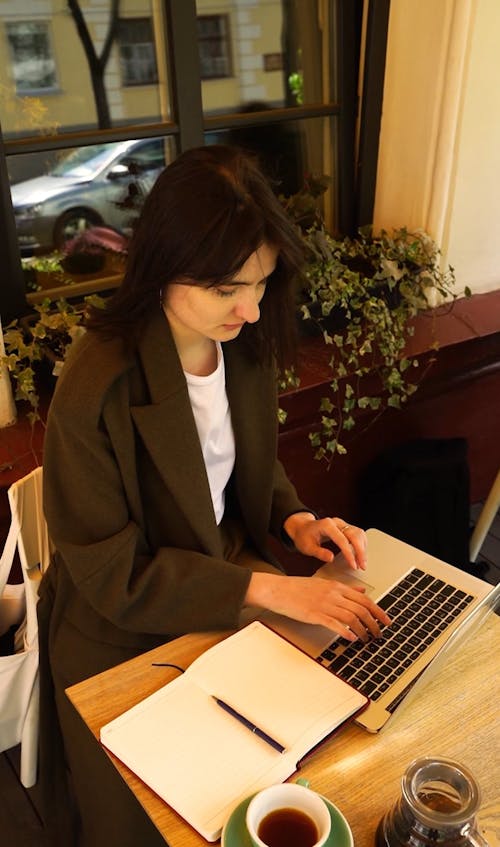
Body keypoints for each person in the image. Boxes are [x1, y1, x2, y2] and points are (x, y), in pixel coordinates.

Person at [37, 145, 390, 847]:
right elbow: (113, 576)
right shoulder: (97, 382)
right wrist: (271, 593)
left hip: (226, 581)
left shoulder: (242, 343)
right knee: (174, 815)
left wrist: (294, 518)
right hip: (120, 630)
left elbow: (241, 466)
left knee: (325, 737)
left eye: (260, 283)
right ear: (165, 265)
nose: (252, 309)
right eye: (229, 287)